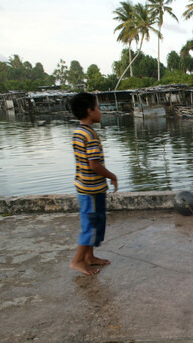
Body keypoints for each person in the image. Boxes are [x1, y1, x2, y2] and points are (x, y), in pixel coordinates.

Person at [69, 93, 118, 276]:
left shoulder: (78, 132)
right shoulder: (90, 135)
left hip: (83, 187)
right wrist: (112, 176)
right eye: (97, 108)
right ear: (89, 111)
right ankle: (78, 260)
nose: (100, 111)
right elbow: (94, 164)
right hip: (92, 189)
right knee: (91, 225)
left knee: (92, 223)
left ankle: (89, 256)